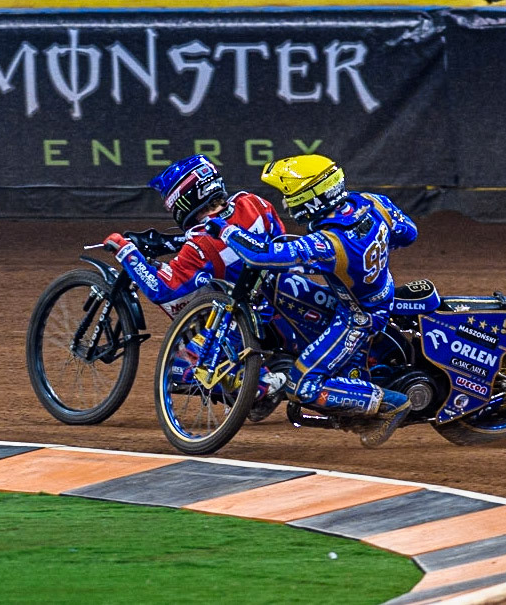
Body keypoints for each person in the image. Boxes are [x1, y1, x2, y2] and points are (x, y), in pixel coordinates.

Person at [205, 154, 418, 447]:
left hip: (358, 315)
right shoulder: (371, 202)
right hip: (375, 292)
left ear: (311, 199)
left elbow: (261, 255)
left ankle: (391, 404)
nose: (286, 204)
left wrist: (225, 229)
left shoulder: (329, 243)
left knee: (301, 385)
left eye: (290, 196)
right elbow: (408, 233)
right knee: (286, 287)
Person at [101, 154, 289, 407]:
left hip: (242, 316)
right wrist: (168, 242)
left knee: (179, 365)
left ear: (183, 199)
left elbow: (161, 289)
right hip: (281, 297)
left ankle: (253, 383)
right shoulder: (254, 202)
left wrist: (126, 251)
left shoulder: (199, 244)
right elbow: (232, 239)